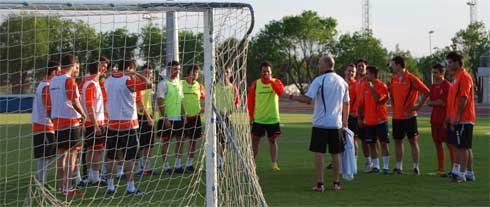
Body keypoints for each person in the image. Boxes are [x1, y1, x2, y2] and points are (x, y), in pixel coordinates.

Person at [289, 54, 349, 192]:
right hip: (336, 124)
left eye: (319, 63)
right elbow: (347, 103)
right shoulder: (342, 81)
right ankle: (336, 183)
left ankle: (320, 184)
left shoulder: (319, 80)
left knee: (319, 153)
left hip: (321, 124)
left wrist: (291, 97)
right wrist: (345, 121)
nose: (318, 66)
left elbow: (307, 99)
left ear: (326, 65)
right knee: (335, 154)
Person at [104, 59, 152, 195]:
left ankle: (110, 187)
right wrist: (135, 73)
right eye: (134, 69)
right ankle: (130, 187)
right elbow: (148, 84)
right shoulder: (128, 81)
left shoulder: (108, 80)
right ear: (130, 68)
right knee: (129, 157)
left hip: (112, 124)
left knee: (111, 156)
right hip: (128, 124)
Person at [49, 54, 87, 196]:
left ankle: (60, 187)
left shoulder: (53, 80)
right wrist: (84, 115)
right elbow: (75, 102)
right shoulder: (69, 81)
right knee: (72, 156)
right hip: (71, 123)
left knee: (61, 157)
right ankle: (68, 187)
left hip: (57, 123)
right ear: (72, 65)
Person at [389, 55, 429, 175]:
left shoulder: (411, 78)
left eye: (392, 64)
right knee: (397, 141)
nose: (391, 66)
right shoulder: (393, 78)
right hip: (397, 116)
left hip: (409, 116)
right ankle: (398, 167)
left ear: (398, 65)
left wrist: (418, 106)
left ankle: (416, 167)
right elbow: (392, 94)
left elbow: (426, 92)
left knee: (412, 141)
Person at [247, 61, 286, 172]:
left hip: (272, 119)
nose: (266, 73)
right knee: (254, 142)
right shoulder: (255, 84)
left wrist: (271, 82)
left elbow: (281, 92)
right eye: (264, 71)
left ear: (271, 72)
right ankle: (251, 164)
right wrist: (250, 116)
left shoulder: (276, 82)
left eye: (268, 71)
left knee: (273, 141)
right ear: (260, 72)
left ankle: (274, 164)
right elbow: (250, 101)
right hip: (259, 119)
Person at [445, 52, 476, 183]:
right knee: (462, 146)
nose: (449, 65)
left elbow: (464, 97)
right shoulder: (456, 77)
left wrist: (457, 115)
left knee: (463, 147)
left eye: (450, 62)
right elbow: (453, 99)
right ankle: (468, 173)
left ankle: (461, 174)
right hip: (456, 118)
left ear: (458, 62)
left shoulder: (464, 76)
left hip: (464, 117)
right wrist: (449, 116)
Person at [31, 61, 59, 190]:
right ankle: (41, 181)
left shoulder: (41, 85)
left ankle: (41, 180)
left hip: (40, 124)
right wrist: (56, 121)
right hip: (45, 125)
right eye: (58, 72)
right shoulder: (47, 86)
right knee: (47, 155)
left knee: (47, 155)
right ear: (53, 72)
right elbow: (49, 108)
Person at [358, 66, 390, 174]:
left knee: (384, 143)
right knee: (371, 144)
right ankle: (376, 166)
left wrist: (371, 87)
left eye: (367, 73)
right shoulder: (365, 87)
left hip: (380, 120)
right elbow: (361, 104)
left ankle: (385, 167)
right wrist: (360, 117)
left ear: (373, 75)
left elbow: (379, 99)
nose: (366, 76)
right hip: (368, 121)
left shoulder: (382, 86)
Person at [79, 61, 107, 186]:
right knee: (96, 150)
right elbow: (89, 106)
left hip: (93, 122)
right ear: (99, 70)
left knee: (91, 150)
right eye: (102, 68)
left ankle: (90, 175)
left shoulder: (92, 83)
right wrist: (96, 125)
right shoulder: (91, 84)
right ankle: (95, 178)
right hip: (93, 123)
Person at [157, 60, 185, 174]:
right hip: (168, 119)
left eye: (178, 69)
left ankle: (178, 165)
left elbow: (181, 100)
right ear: (168, 70)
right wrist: (165, 118)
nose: (177, 72)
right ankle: (166, 166)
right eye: (174, 69)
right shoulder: (163, 84)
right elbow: (160, 102)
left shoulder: (179, 83)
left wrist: (184, 114)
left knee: (180, 140)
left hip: (179, 118)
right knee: (166, 142)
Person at [427, 63, 454, 176]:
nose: (433, 75)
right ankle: (440, 168)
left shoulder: (447, 85)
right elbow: (431, 102)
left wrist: (435, 102)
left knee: (449, 144)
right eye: (433, 72)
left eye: (436, 72)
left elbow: (443, 103)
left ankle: (454, 168)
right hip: (434, 120)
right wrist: (435, 102)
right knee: (437, 143)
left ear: (442, 73)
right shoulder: (432, 86)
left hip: (444, 120)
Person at [134, 64, 158, 177]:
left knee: (149, 143)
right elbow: (139, 102)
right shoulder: (138, 84)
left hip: (150, 116)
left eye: (150, 73)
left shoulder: (152, 86)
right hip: (140, 116)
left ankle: (147, 167)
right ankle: (138, 168)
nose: (148, 75)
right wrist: (148, 116)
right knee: (139, 143)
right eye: (146, 73)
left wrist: (153, 115)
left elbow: (153, 102)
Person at [215, 65, 240, 169]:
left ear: (230, 74)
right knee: (215, 140)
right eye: (223, 72)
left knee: (223, 141)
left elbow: (237, 104)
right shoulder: (215, 86)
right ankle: (216, 161)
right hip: (215, 117)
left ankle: (221, 161)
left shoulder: (233, 88)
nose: (225, 74)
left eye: (227, 72)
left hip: (227, 117)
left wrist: (229, 112)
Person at [182, 65, 205, 173]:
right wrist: (182, 113)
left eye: (197, 73)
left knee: (193, 141)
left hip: (196, 117)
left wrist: (203, 108)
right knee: (181, 141)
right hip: (184, 118)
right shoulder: (181, 84)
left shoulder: (199, 86)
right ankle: (177, 165)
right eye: (193, 72)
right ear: (188, 73)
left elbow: (206, 98)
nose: (195, 74)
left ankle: (189, 164)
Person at [355, 59, 372, 172]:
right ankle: (368, 162)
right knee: (363, 141)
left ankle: (374, 164)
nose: (360, 68)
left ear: (366, 67)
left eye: (362, 66)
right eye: (359, 66)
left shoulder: (369, 80)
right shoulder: (358, 81)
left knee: (372, 141)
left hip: (370, 115)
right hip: (359, 115)